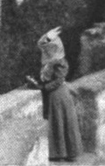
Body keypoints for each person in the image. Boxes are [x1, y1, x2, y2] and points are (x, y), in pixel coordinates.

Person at [32, 27, 83, 162]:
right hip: (55, 95)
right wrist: (47, 36)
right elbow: (41, 43)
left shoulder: (59, 61)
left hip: (59, 94)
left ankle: (64, 153)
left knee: (60, 122)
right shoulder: (52, 62)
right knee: (58, 122)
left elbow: (59, 80)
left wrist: (43, 87)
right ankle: (61, 153)